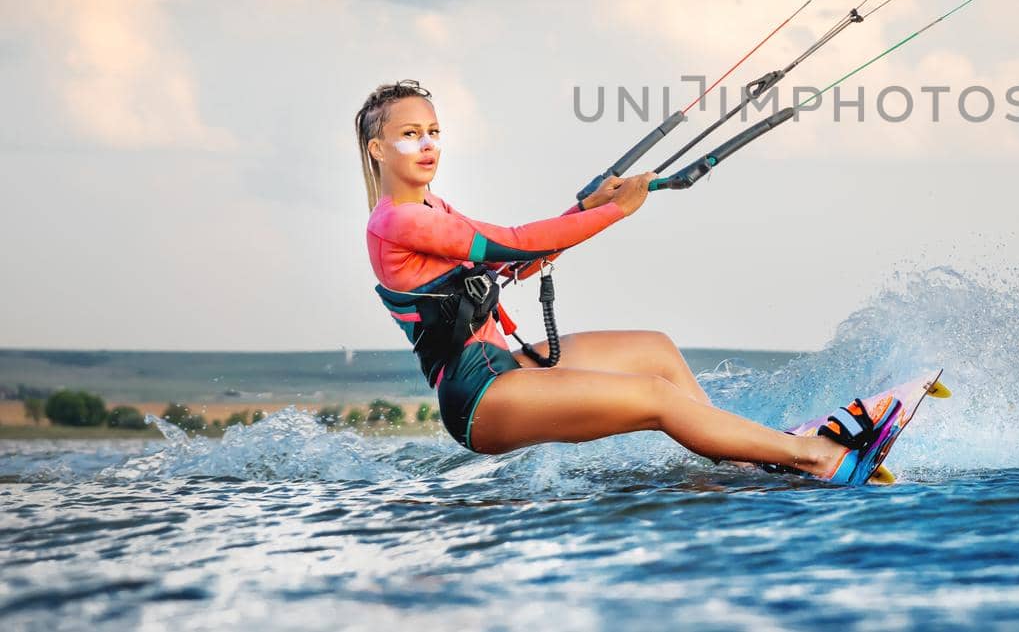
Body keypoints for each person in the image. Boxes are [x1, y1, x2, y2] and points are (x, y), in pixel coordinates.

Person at [356, 79, 897, 481]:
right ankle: (815, 456)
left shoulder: (430, 206)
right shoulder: (398, 221)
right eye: (409, 134)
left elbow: (510, 265)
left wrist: (583, 209)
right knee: (655, 398)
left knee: (655, 352)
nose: (427, 144)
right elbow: (514, 242)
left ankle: (741, 454)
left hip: (505, 366)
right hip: (480, 396)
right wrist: (617, 212)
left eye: (432, 132)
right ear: (379, 149)